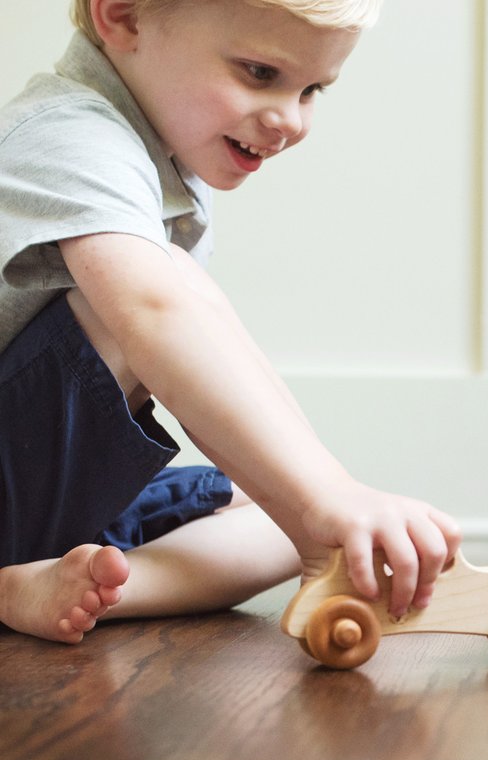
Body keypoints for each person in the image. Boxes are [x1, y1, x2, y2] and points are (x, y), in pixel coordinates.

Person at [0, 0, 461, 644]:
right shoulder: (65, 134)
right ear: (124, 16)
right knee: (162, 283)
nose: (291, 121)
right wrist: (321, 493)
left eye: (312, 90)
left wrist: (323, 502)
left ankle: (52, 584)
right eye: (259, 73)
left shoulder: (161, 160)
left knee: (283, 529)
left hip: (38, 496)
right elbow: (156, 314)